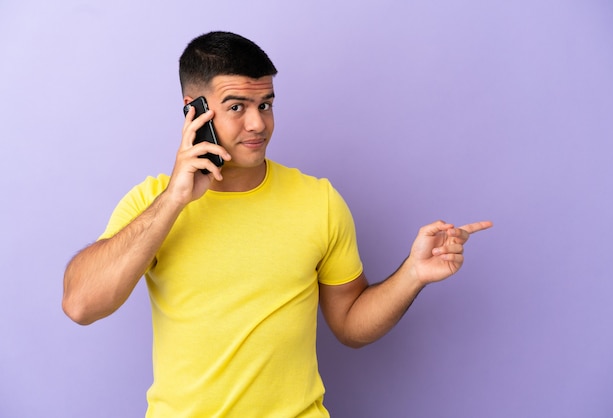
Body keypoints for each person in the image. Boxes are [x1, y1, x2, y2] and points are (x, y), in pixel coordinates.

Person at [62, 31, 492, 417]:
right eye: (237, 107)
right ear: (193, 112)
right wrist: (175, 199)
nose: (258, 123)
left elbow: (351, 326)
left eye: (265, 105)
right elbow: (81, 305)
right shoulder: (150, 203)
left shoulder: (318, 200)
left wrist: (412, 275)